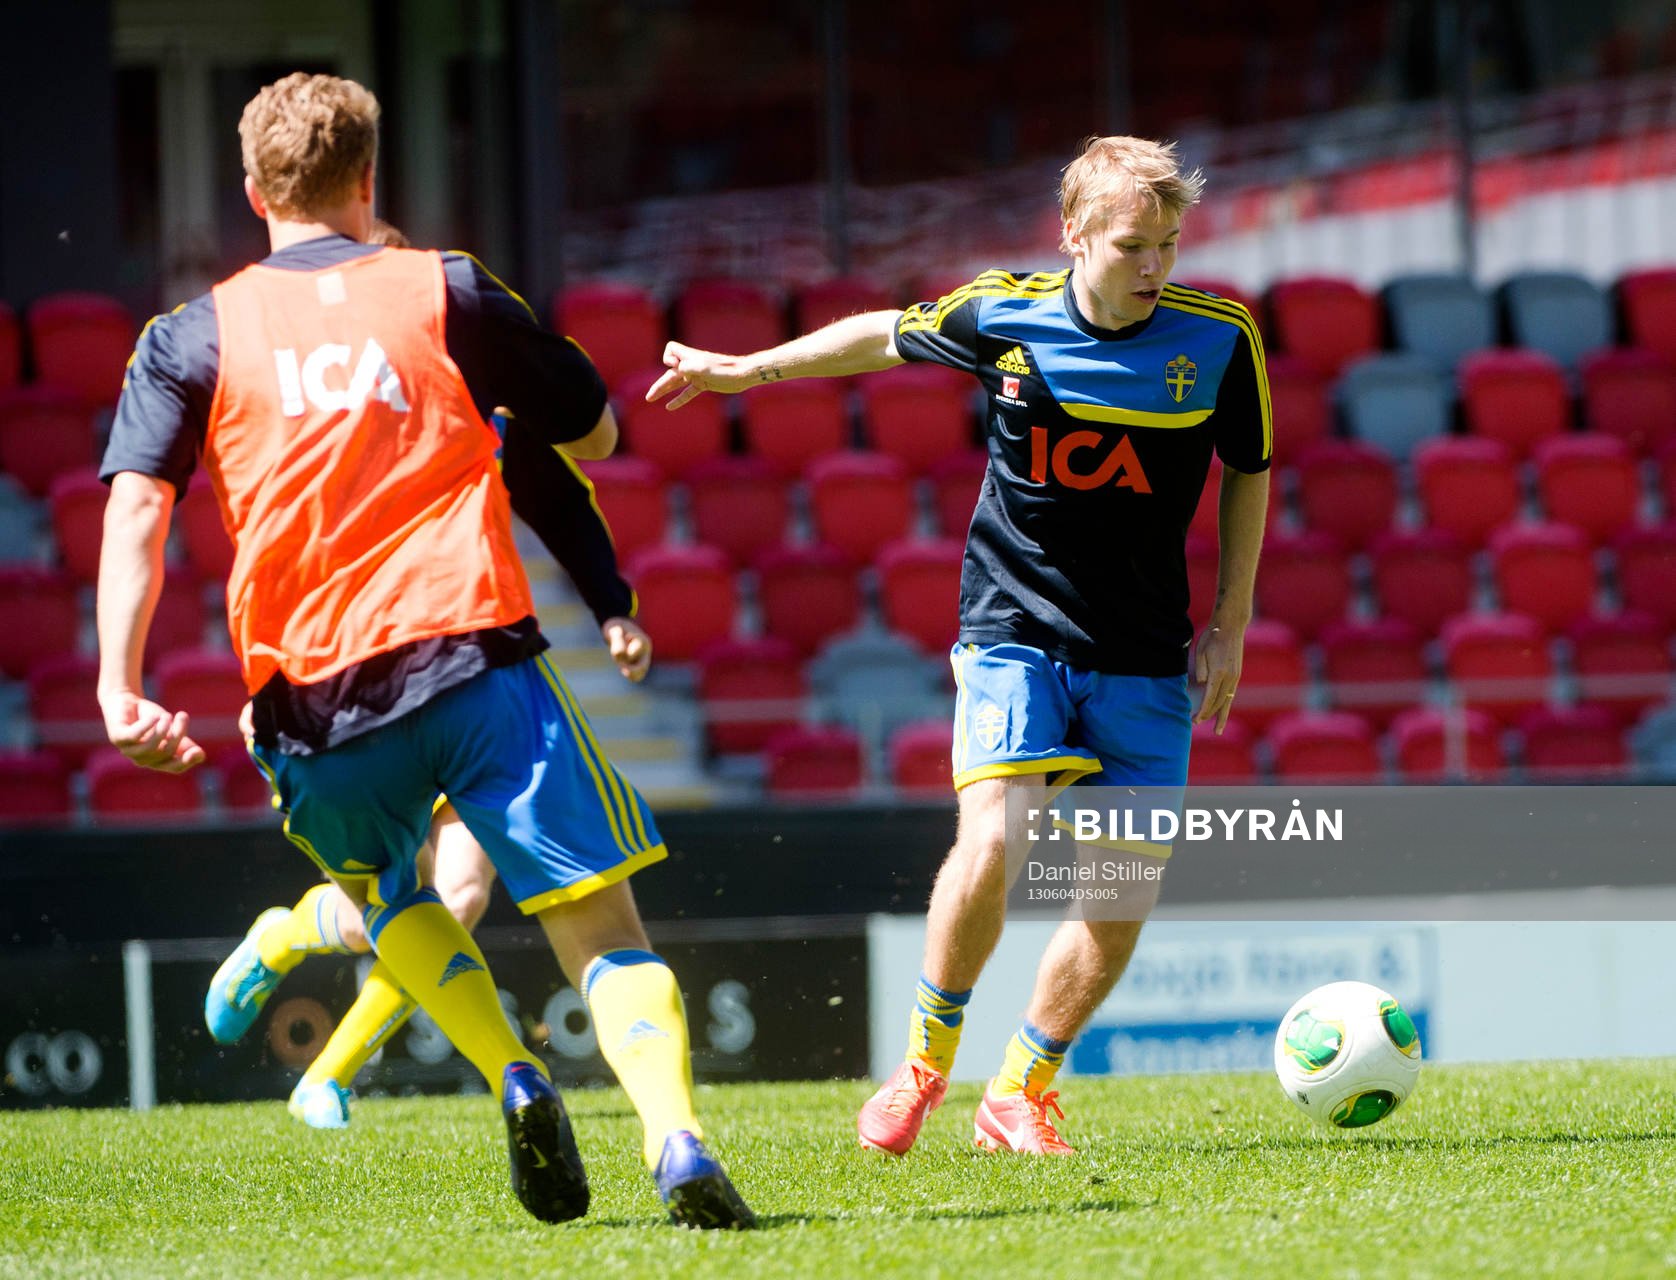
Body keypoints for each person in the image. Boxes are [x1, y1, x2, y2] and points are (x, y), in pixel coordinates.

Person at [97, 72, 752, 1229]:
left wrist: (117, 685)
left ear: (251, 192)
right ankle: (675, 1135)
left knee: (396, 897)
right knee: (599, 931)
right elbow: (590, 426)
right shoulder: (444, 287)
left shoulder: (186, 334)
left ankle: (509, 1066)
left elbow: (139, 511)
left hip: (308, 697)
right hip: (473, 661)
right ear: (368, 182)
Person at [648, 134, 1270, 1157]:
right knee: (992, 838)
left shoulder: (1217, 339)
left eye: (1166, 243)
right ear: (1073, 235)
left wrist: (1230, 621)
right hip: (1012, 629)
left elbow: (1248, 468)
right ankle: (926, 1065)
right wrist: (745, 370)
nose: (1154, 266)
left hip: (1146, 650)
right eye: (1130, 245)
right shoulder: (1002, 312)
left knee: (1118, 899)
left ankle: (1019, 1089)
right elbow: (880, 335)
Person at [225, 217, 656, 1135]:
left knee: (456, 893)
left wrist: (613, 606)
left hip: (466, 666)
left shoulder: (477, 390)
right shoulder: (327, 414)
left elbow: (558, 499)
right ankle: (289, 933)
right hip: (349, 681)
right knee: (390, 899)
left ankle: (327, 1078)